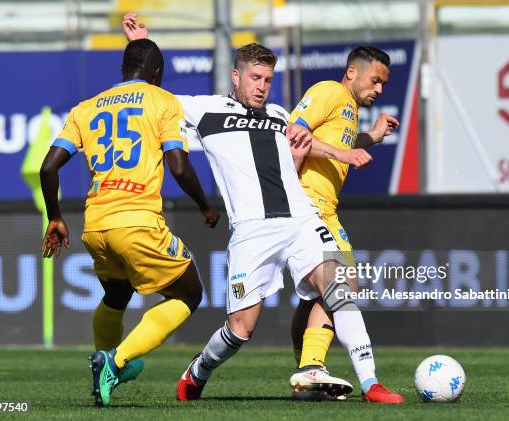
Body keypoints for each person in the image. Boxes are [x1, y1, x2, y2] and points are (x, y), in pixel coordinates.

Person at [123, 14, 403, 403]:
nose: (262, 87)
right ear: (236, 77)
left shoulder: (278, 116)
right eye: (255, 78)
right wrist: (141, 46)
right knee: (241, 328)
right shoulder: (206, 110)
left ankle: (371, 383)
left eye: (268, 80)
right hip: (253, 230)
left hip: (301, 219)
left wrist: (347, 150)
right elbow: (152, 96)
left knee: (339, 284)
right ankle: (198, 370)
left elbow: (310, 140)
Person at [39, 38, 219, 407]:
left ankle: (103, 367)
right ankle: (115, 362)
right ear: (156, 73)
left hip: (96, 225)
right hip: (137, 221)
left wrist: (55, 217)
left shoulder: (85, 108)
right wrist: (205, 205)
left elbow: (48, 167)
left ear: (123, 70)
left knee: (117, 295)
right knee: (189, 294)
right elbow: (179, 166)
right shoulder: (163, 100)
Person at [288, 46, 402, 403]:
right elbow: (294, 133)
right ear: (352, 73)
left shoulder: (347, 108)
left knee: (313, 300)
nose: (380, 89)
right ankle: (365, 382)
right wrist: (342, 155)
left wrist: (372, 135)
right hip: (310, 204)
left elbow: (338, 142)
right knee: (343, 284)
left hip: (322, 207)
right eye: (376, 80)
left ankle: (306, 374)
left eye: (384, 84)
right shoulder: (328, 92)